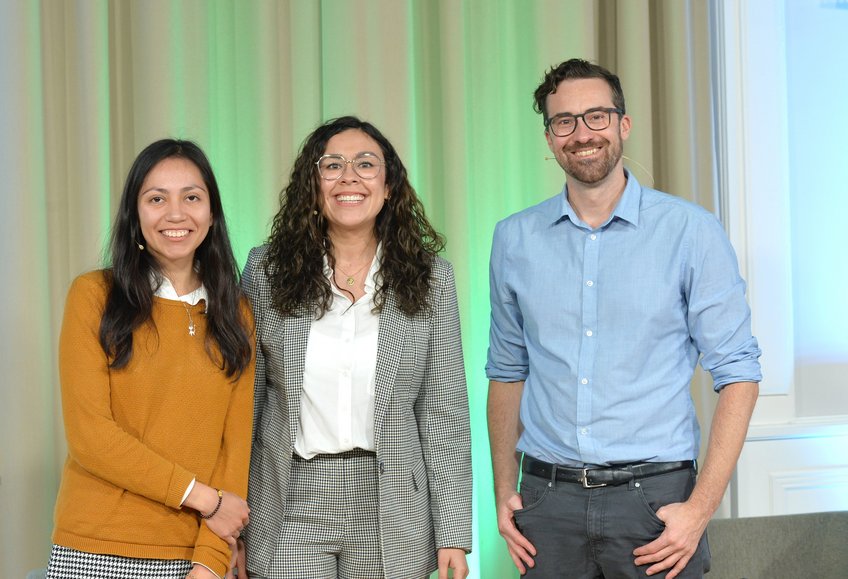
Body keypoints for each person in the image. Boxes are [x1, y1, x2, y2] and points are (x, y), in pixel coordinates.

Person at [486, 59, 762, 578]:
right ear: (549, 137)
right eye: (564, 121)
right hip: (548, 504)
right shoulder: (514, 238)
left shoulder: (690, 232)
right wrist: (505, 488)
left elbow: (739, 374)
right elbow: (507, 371)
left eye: (596, 116)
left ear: (623, 125)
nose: (582, 133)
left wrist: (699, 510)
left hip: (656, 505)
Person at [239, 116, 472, 579]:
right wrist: (234, 525)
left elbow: (443, 410)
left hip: (391, 501)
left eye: (366, 164)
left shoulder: (431, 279)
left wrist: (453, 532)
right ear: (313, 185)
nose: (349, 177)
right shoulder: (267, 270)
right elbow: (248, 400)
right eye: (332, 165)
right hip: (289, 495)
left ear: (388, 187)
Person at [46, 139, 255, 579]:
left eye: (192, 197)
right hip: (95, 547)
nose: (175, 214)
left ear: (212, 214)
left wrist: (211, 562)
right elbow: (91, 436)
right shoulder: (93, 297)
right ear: (135, 215)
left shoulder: (237, 313)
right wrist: (202, 497)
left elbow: (234, 450)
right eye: (156, 198)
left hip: (193, 553)